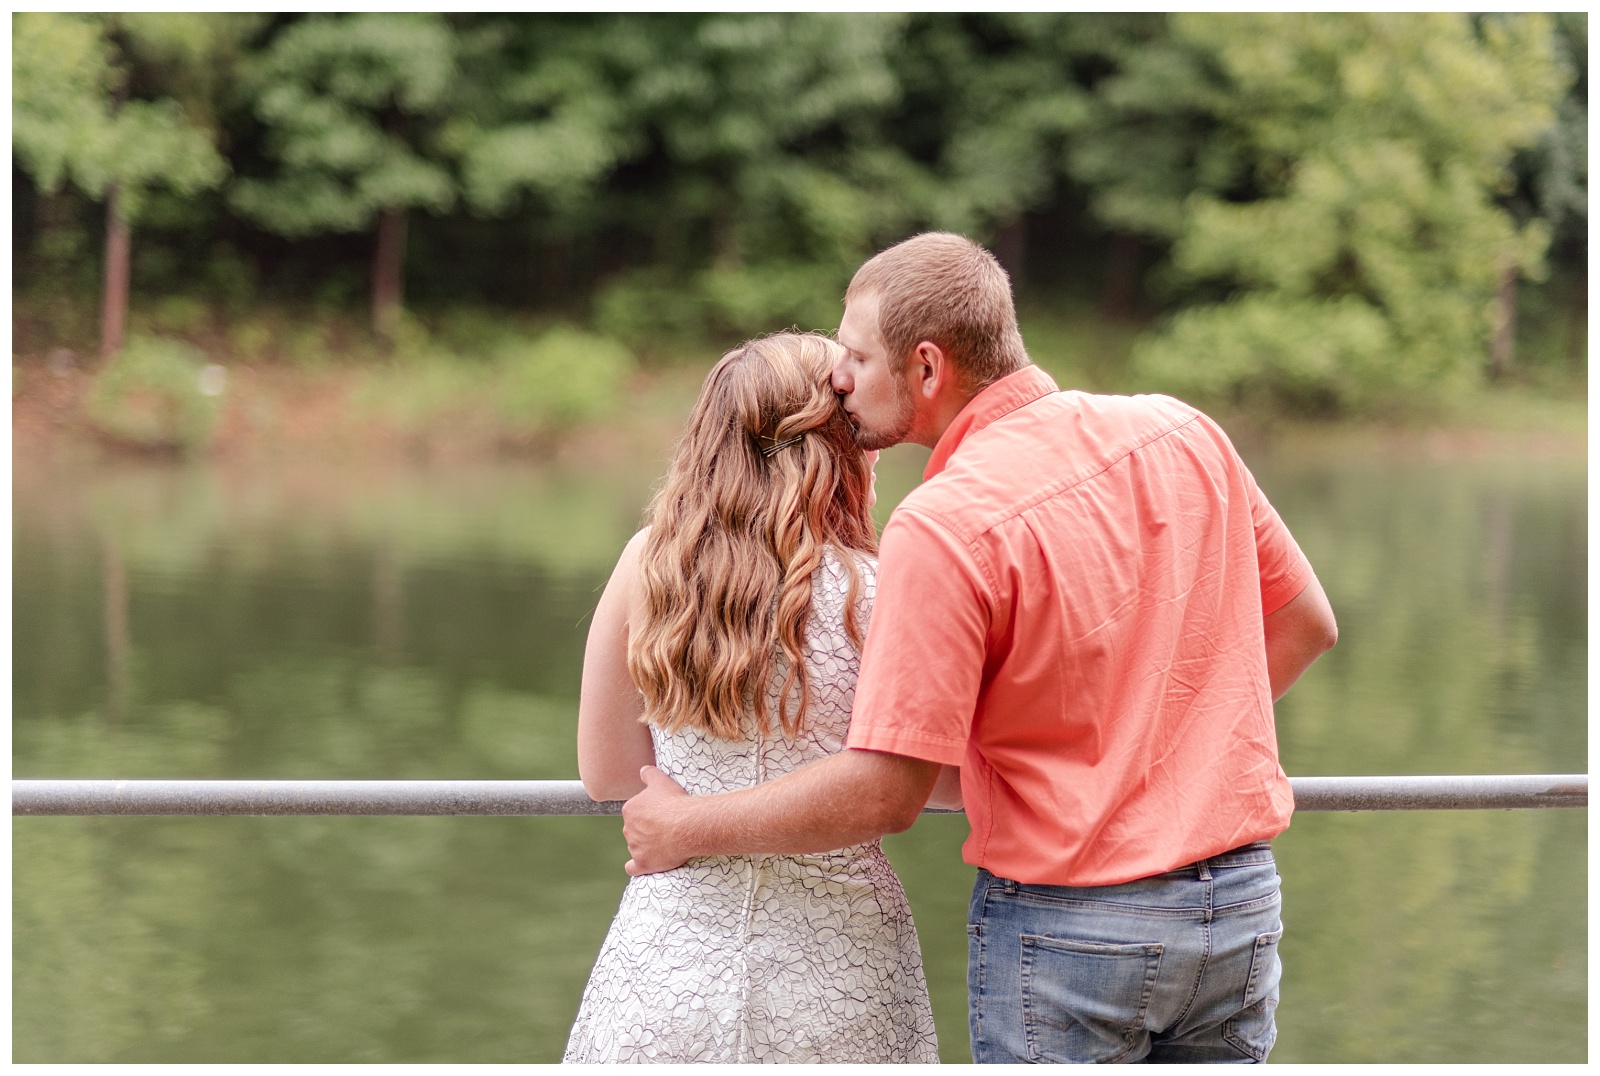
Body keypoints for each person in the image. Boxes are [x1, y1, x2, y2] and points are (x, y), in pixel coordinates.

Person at [620, 233, 1339, 1063]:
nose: (839, 379)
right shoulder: (1182, 432)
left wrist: (683, 827)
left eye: (854, 355)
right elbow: (1304, 623)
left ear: (926, 368)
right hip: (1239, 910)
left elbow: (886, 792)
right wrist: (1165, 747)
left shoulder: (944, 521)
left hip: (1075, 930)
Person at [562, 332, 942, 1064]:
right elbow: (942, 784)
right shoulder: (886, 584)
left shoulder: (649, 566)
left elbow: (608, 773)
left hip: (670, 965)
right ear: (843, 442)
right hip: (836, 973)